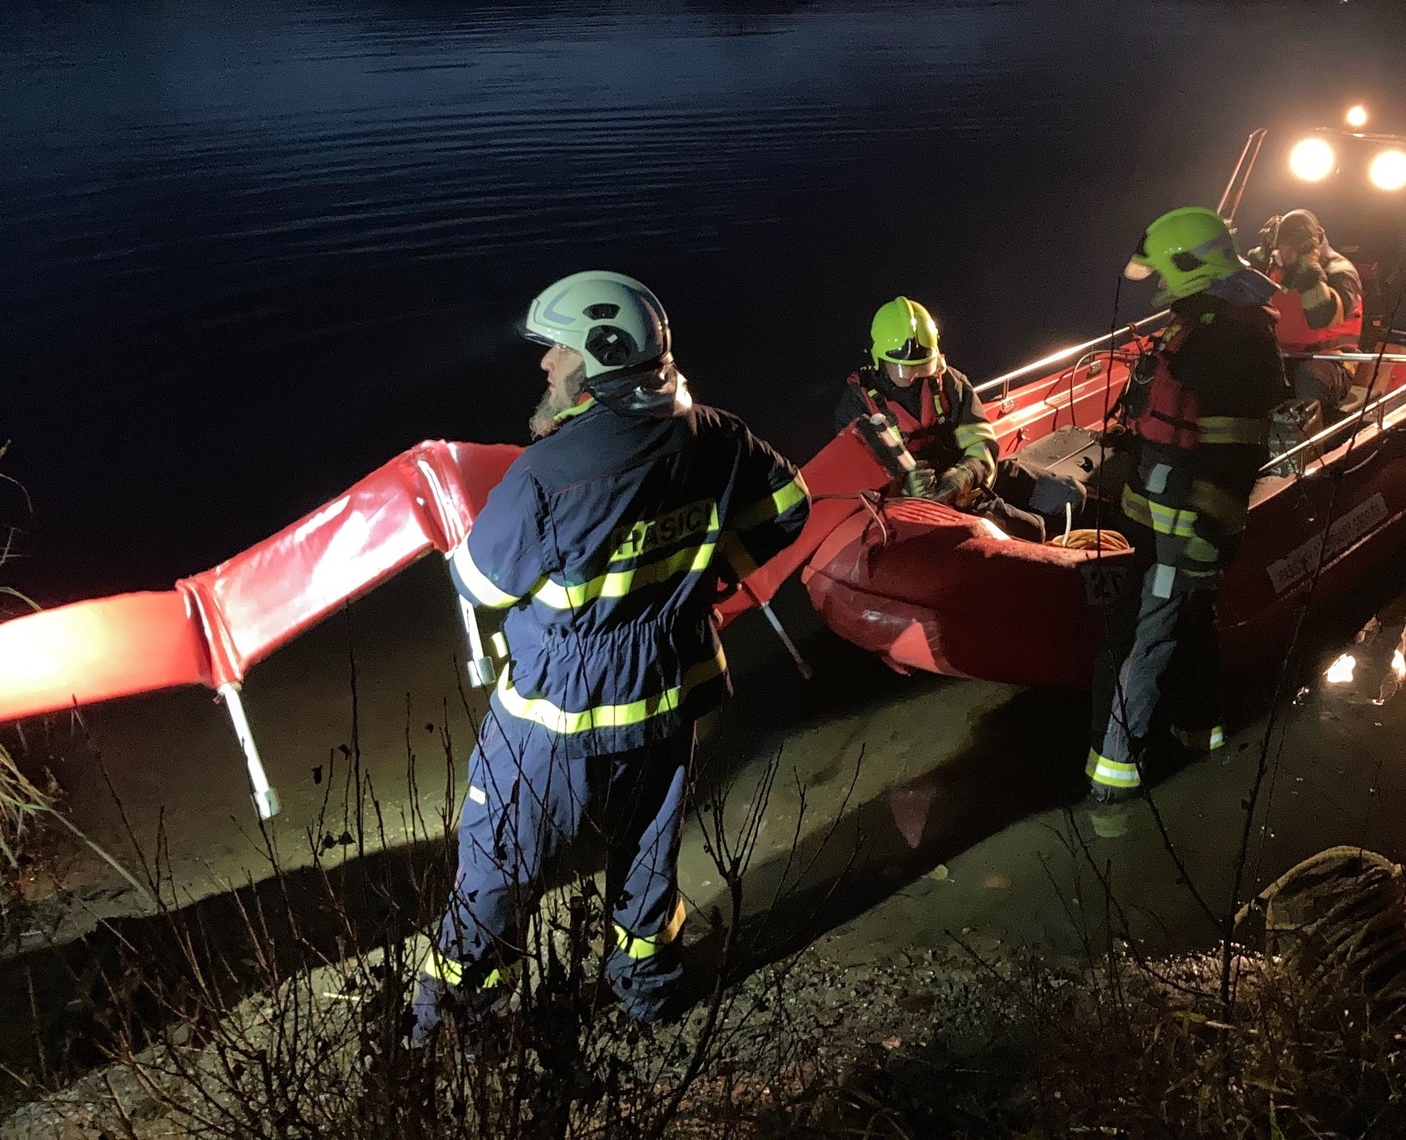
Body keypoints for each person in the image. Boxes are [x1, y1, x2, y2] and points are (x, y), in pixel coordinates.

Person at [411, 271, 808, 1041]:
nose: (545, 366)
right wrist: (711, 570)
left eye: (556, 350)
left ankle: (451, 1021)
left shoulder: (547, 475)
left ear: (602, 356)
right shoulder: (719, 434)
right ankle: (650, 985)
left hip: (556, 714)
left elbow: (480, 584)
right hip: (673, 688)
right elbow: (788, 508)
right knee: (649, 856)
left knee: (499, 867)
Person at [1087, 208, 1289, 804]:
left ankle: (1110, 787)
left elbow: (1234, 456)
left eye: (1161, 272)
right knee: (1193, 629)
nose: (1156, 284)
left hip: (1184, 530)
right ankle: (1198, 738)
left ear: (1188, 266)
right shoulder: (1208, 326)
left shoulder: (1231, 341)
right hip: (1158, 518)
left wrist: (1204, 535)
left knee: (1134, 645)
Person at [835, 296, 1080, 542]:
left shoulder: (950, 383)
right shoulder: (857, 410)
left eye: (923, 366)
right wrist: (905, 491)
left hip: (968, 477)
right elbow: (860, 490)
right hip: (927, 511)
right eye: (904, 369)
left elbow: (982, 443)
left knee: (1070, 495)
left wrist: (965, 474)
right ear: (879, 359)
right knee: (1033, 532)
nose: (914, 376)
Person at [1259, 208, 1364, 412]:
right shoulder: (1276, 267)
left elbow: (1321, 316)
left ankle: (1306, 441)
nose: (1286, 254)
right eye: (1282, 246)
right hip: (1283, 356)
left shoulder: (1341, 271)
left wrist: (1308, 266)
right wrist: (1260, 257)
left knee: (1311, 378)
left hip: (1329, 361)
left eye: (1292, 249)